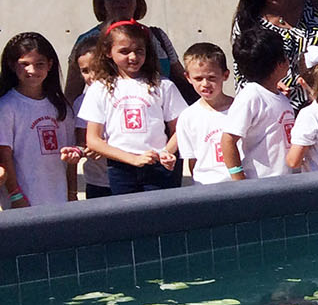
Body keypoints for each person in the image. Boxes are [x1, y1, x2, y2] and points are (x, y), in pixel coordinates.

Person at [78, 21, 185, 194]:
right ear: (108, 52)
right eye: (124, 51)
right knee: (128, 218)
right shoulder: (99, 88)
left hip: (158, 166)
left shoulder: (163, 85)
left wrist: (166, 153)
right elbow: (93, 140)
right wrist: (132, 159)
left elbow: (180, 128)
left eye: (139, 51)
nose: (133, 57)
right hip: (121, 169)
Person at [72, 0, 192, 104]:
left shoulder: (157, 37)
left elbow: (183, 79)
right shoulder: (86, 40)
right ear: (101, 0)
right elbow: (71, 94)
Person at [0, 33, 80, 208]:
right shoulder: (7, 106)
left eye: (39, 64)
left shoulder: (61, 107)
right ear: (12, 65)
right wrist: (15, 195)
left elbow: (71, 157)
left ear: (50, 65)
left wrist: (72, 192)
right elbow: (4, 155)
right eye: (25, 64)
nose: (32, 70)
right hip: (24, 201)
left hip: (59, 198)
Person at [220, 27, 298, 181]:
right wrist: (239, 179)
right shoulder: (251, 96)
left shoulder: (280, 96)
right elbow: (228, 140)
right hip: (260, 182)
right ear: (278, 64)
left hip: (285, 180)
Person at [172, 44, 234, 185]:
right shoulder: (188, 116)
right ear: (188, 77)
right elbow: (192, 160)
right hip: (206, 187)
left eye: (211, 77)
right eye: (198, 78)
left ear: (225, 75)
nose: (205, 84)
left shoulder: (240, 109)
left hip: (239, 184)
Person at [69, 41, 110, 198]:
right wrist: (79, 151)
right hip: (98, 181)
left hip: (127, 175)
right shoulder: (81, 101)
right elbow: (82, 142)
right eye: (85, 71)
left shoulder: (124, 93)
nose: (92, 76)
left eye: (97, 69)